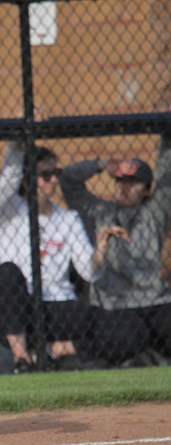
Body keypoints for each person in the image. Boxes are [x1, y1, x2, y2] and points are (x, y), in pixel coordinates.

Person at [0, 142, 142, 373]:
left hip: (58, 309)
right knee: (7, 272)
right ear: (27, 180)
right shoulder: (7, 210)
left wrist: (100, 250)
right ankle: (23, 360)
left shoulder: (68, 218)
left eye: (56, 173)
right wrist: (18, 142)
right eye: (45, 175)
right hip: (19, 312)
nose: (53, 180)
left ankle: (52, 351)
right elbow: (10, 172)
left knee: (129, 334)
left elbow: (89, 272)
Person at [60, 139, 171, 364]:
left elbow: (166, 173)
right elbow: (68, 180)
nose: (124, 187)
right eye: (120, 180)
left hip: (155, 301)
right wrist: (102, 164)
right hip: (115, 305)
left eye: (133, 182)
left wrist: (166, 134)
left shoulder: (154, 211)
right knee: (129, 338)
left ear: (147, 190)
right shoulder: (99, 211)